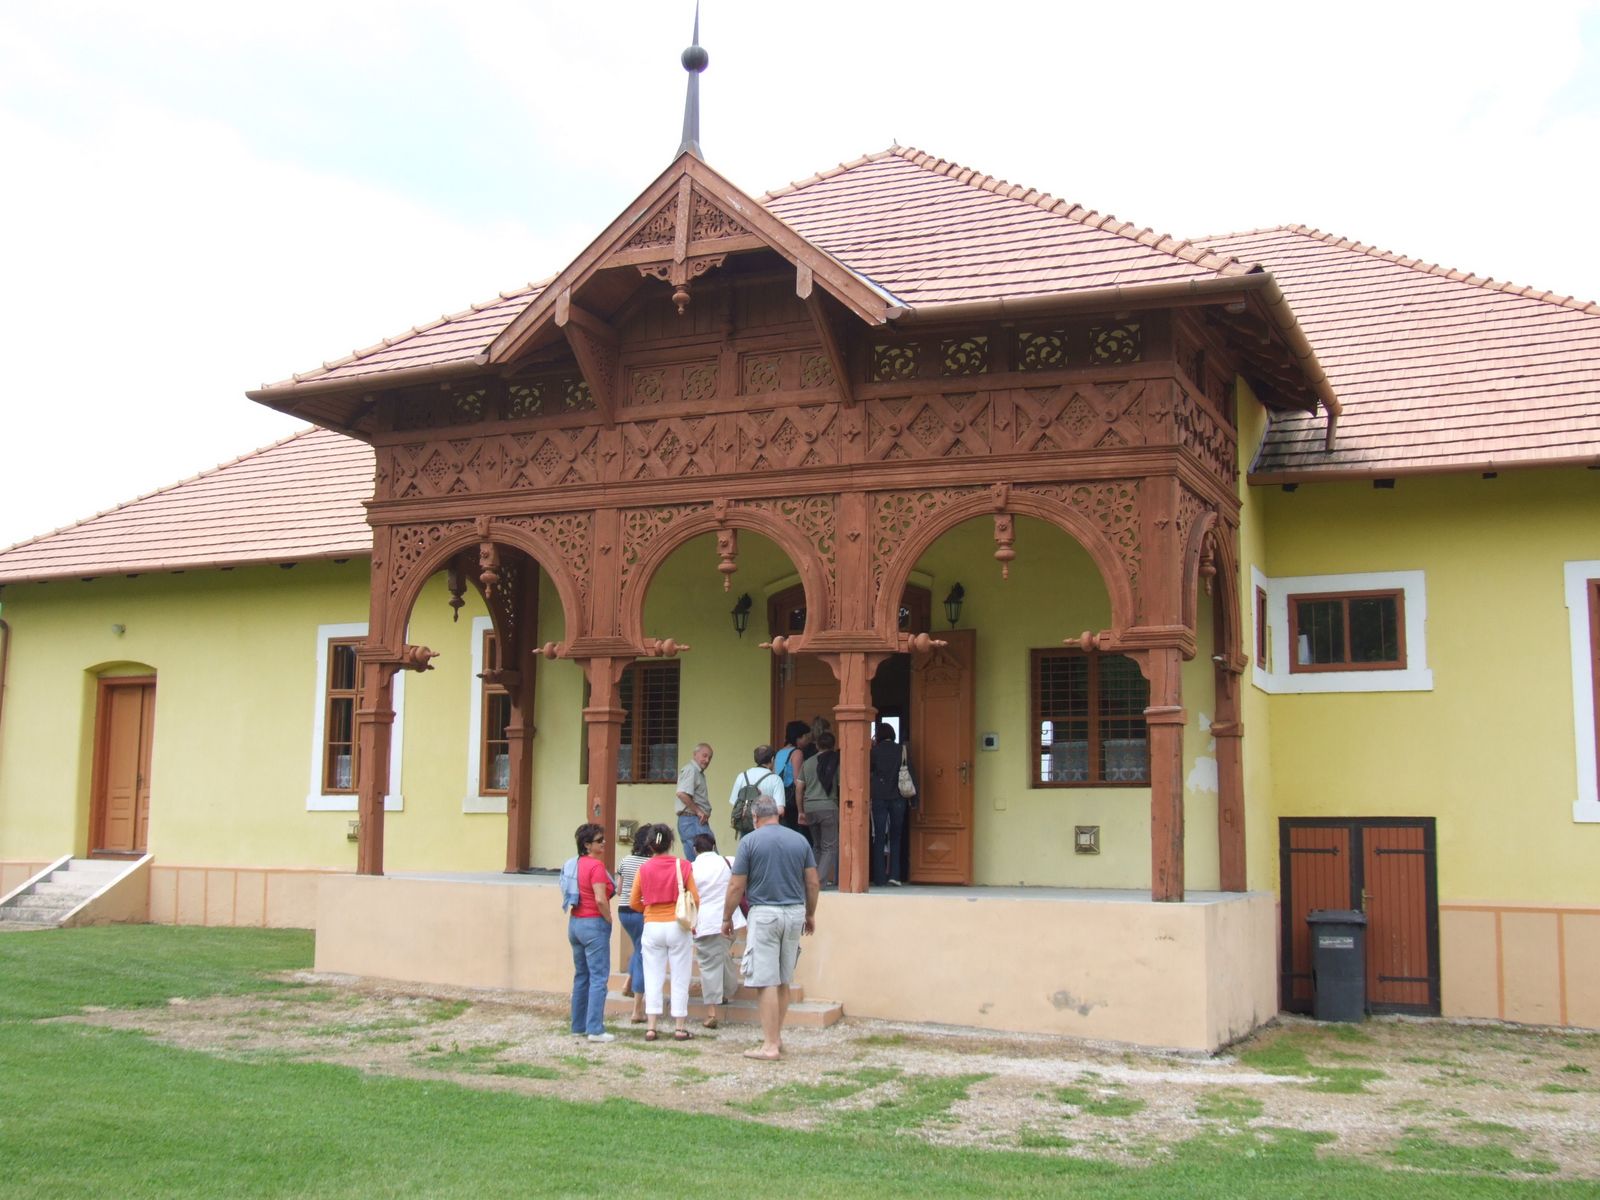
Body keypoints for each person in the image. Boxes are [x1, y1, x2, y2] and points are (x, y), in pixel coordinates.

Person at [723, 795, 819, 1061]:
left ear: (755, 817)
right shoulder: (799, 840)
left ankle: (770, 1045)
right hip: (794, 912)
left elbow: (736, 885)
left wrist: (727, 917)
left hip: (765, 912)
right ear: (778, 814)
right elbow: (812, 882)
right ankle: (776, 1037)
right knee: (783, 979)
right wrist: (810, 913)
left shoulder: (749, 842)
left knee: (765, 981)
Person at [628, 823, 700, 1041]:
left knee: (653, 975)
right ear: (671, 843)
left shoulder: (644, 868)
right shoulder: (683, 865)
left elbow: (633, 901)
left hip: (652, 924)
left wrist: (648, 910)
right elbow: (695, 898)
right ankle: (679, 1027)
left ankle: (651, 1026)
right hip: (677, 924)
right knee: (680, 976)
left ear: (650, 845)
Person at [689, 831, 745, 1029]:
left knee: (708, 965)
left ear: (694, 850)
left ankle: (712, 1010)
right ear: (714, 846)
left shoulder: (691, 868)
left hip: (704, 922)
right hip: (731, 919)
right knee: (722, 954)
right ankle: (727, 989)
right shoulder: (729, 861)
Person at [567, 822, 616, 1042]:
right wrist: (608, 918)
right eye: (599, 840)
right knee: (598, 977)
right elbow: (600, 898)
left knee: (581, 976)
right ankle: (595, 1029)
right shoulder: (596, 866)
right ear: (587, 845)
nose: (603, 842)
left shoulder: (575, 864)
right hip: (593, 923)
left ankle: (578, 1025)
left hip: (575, 923)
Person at [615, 823, 656, 1024]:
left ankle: (627, 983)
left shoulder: (625, 860)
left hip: (624, 912)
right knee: (642, 956)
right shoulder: (650, 864)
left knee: (638, 947)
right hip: (641, 912)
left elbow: (619, 889)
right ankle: (637, 1009)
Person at [869, 722, 915, 887]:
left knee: (879, 837)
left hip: (879, 797)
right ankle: (895, 875)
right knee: (896, 836)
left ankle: (879, 877)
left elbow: (868, 771)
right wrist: (914, 800)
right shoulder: (901, 750)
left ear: (879, 735)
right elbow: (910, 772)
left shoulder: (874, 752)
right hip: (898, 797)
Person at [799, 730, 840, 888]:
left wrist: (801, 810)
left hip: (810, 807)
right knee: (829, 847)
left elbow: (799, 788)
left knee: (817, 846)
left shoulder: (808, 762)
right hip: (828, 806)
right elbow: (842, 784)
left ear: (817, 745)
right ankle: (818, 882)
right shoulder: (835, 762)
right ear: (833, 745)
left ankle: (810, 880)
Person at [727, 744, 788, 824]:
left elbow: (735, 803)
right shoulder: (776, 779)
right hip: (765, 825)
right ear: (772, 759)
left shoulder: (742, 776)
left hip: (745, 825)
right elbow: (780, 810)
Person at [675, 743, 714, 861]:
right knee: (708, 860)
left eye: (710, 758)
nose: (707, 760)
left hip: (694, 820)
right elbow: (681, 793)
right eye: (704, 756)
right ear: (695, 754)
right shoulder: (691, 770)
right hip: (692, 820)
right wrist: (699, 811)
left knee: (706, 860)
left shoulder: (697, 772)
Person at [773, 721, 812, 833]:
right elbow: (797, 781)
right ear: (799, 737)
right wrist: (802, 809)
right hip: (792, 802)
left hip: (780, 799)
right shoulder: (797, 753)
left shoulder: (779, 752)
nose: (808, 740)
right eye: (806, 736)